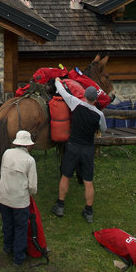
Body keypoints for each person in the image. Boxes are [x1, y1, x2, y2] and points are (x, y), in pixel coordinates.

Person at [51, 78, 107, 223]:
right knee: (88, 181)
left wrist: (58, 80)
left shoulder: (75, 103)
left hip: (73, 146)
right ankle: (88, 211)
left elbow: (62, 92)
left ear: (84, 96)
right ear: (95, 100)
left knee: (66, 176)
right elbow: (103, 129)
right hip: (88, 148)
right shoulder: (99, 115)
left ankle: (60, 205)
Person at [0, 129, 37, 269]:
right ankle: (18, 257)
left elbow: (2, 171)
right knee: (21, 227)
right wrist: (30, 194)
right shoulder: (29, 160)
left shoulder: (7, 153)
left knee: (7, 223)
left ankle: (7, 247)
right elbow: (33, 186)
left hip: (3, 196)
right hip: (19, 200)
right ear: (28, 145)